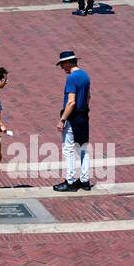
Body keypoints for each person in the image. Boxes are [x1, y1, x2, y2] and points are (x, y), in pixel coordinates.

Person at [53, 51, 91, 191]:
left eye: (62, 64)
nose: (62, 67)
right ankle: (85, 181)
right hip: (83, 116)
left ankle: (70, 182)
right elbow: (88, 97)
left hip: (72, 117)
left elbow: (71, 103)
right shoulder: (85, 76)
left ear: (68, 62)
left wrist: (62, 120)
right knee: (83, 148)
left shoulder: (72, 78)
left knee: (68, 149)